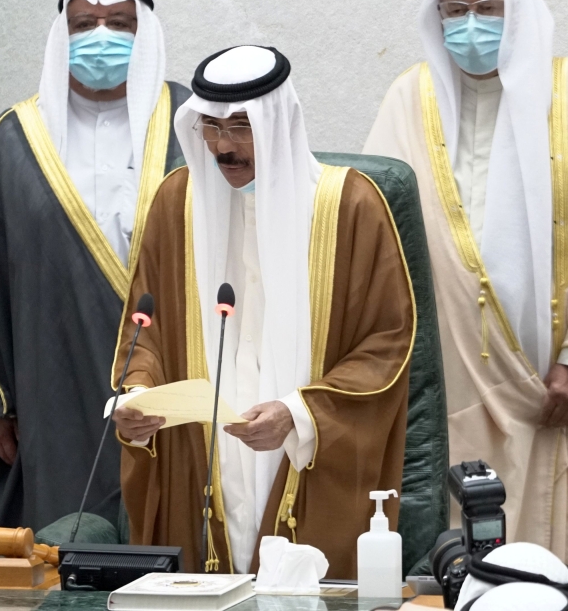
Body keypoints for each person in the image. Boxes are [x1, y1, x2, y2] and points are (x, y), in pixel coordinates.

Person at [363, 0, 568, 575]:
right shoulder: (407, 98)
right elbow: (376, 234)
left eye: (487, 9)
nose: (469, 26)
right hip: (451, 380)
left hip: (556, 384)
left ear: (516, 9)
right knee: (459, 543)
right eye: (453, 13)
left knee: (554, 555)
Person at [111, 45, 415, 576]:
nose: (223, 147)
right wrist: (137, 397)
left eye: (242, 128)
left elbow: (387, 342)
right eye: (211, 126)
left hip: (303, 455)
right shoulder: (176, 203)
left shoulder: (350, 206)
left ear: (277, 121)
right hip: (200, 455)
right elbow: (146, 329)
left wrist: (299, 415)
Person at [0, 0, 191, 532]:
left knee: (173, 541)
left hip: (175, 378)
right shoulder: (14, 138)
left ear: (145, 34)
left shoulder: (192, 123)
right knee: (71, 542)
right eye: (85, 23)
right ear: (63, 33)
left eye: (120, 24)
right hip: (51, 384)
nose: (101, 35)